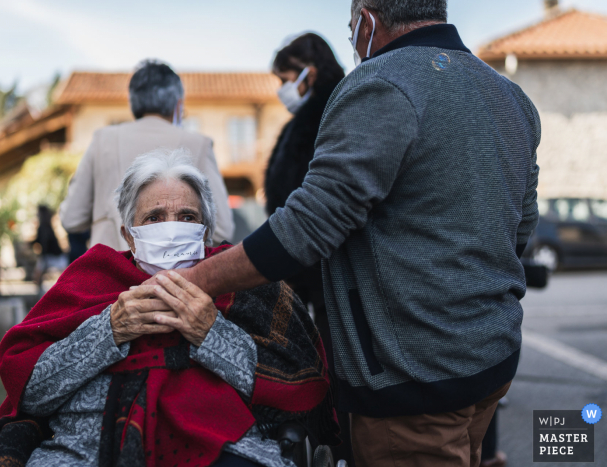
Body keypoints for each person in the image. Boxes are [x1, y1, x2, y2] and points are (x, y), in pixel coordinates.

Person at [151, 1, 541, 466]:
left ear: (368, 20)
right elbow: (522, 229)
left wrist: (190, 282)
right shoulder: (511, 97)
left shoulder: (381, 84)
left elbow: (308, 226)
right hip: (491, 357)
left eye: (352, 24)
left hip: (413, 377)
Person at [0, 149, 337, 467]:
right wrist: (110, 329)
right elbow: (34, 391)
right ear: (129, 235)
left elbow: (297, 389)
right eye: (154, 218)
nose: (171, 228)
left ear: (206, 231)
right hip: (86, 447)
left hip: (224, 445)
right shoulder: (93, 278)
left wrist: (212, 333)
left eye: (187, 217)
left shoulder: (246, 285)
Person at [265, 32, 352, 465]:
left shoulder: (335, 112)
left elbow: (317, 202)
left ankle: (337, 442)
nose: (281, 89)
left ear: (308, 71)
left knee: (333, 362)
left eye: (285, 77)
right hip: (305, 269)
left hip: (323, 270)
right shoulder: (314, 115)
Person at [60, 59, 234, 249]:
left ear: (133, 102)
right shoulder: (199, 144)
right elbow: (222, 230)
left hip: (111, 271)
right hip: (176, 273)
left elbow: (71, 219)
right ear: (178, 105)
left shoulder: (103, 139)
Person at [31, 205, 67, 291]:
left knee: (38, 273)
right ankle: (39, 291)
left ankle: (39, 292)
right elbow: (39, 241)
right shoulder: (46, 226)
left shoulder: (44, 227)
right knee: (38, 273)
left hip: (52, 255)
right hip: (53, 255)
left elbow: (44, 243)